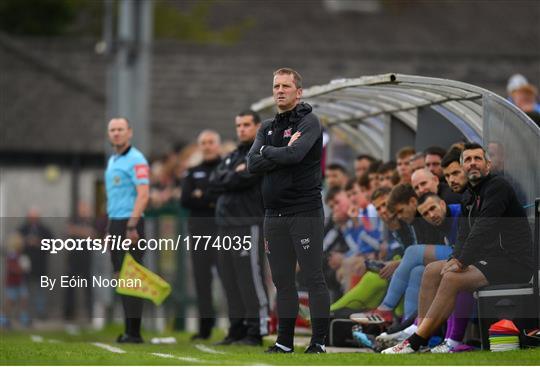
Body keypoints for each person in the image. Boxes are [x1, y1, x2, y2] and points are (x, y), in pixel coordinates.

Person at [382, 143, 534, 354]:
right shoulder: (469, 196)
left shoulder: (497, 187)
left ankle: (420, 341)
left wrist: (461, 262)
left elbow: (484, 227)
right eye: (468, 160)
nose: (472, 163)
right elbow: (463, 235)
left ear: (488, 165)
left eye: (477, 159)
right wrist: (454, 257)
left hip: (513, 262)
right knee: (432, 270)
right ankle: (419, 331)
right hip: (490, 259)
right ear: (464, 167)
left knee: (453, 277)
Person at [247, 67, 329, 354]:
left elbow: (295, 155)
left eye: (285, 86)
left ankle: (318, 342)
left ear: (298, 92)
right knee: (282, 281)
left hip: (304, 212)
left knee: (312, 276)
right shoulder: (266, 127)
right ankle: (284, 342)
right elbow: (251, 164)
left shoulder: (309, 122)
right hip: (273, 214)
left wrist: (267, 152)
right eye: (276, 86)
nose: (279, 90)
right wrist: (276, 152)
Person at [209, 110, 269, 346]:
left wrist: (229, 178)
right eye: (238, 125)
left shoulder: (260, 152)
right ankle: (236, 329)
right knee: (229, 279)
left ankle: (256, 330)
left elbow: (244, 178)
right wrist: (229, 176)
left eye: (246, 124)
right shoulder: (232, 155)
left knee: (250, 278)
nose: (241, 129)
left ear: (256, 127)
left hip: (248, 223)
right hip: (224, 225)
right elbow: (214, 182)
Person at [105, 117, 150, 343]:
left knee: (132, 278)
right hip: (116, 223)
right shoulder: (113, 160)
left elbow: (143, 194)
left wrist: (131, 225)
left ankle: (134, 332)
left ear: (129, 132)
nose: (116, 133)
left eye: (120, 129)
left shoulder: (136, 159)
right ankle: (129, 330)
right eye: (113, 130)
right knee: (120, 278)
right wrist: (110, 229)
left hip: (130, 224)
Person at [180, 130, 222, 340]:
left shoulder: (225, 167)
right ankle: (204, 328)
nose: (207, 146)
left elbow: (223, 194)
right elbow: (185, 200)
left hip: (222, 231)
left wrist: (202, 195)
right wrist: (210, 198)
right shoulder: (192, 171)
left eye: (211, 142)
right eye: (203, 142)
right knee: (201, 280)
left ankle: (237, 327)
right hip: (198, 232)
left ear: (218, 144)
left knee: (228, 279)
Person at [18, 207, 53, 320]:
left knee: (40, 290)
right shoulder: (22, 229)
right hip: (26, 265)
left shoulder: (44, 230)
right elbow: (16, 243)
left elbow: (51, 243)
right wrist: (27, 242)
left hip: (40, 264)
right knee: (25, 290)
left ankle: (40, 312)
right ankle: (25, 314)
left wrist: (38, 242)